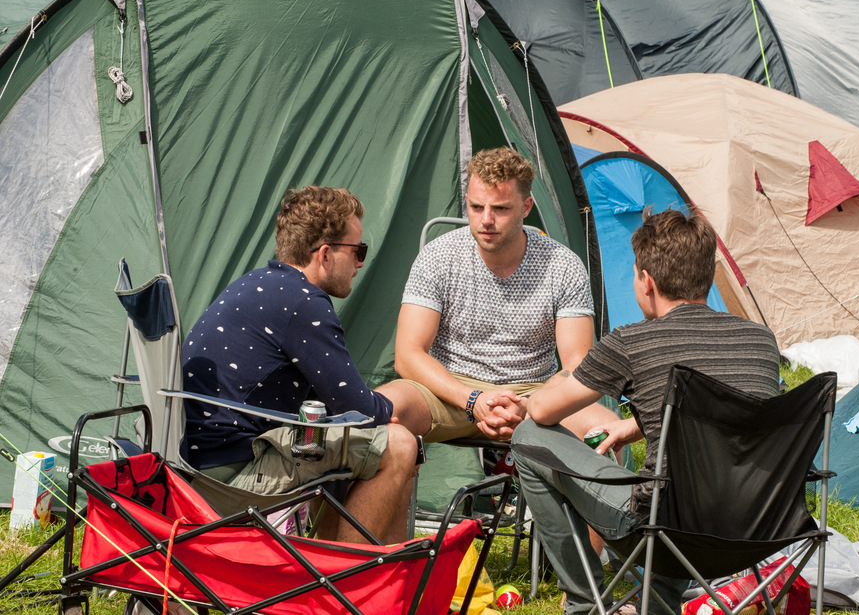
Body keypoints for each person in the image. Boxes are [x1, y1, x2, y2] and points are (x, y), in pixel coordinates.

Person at [510, 209, 782, 615]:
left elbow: (544, 412)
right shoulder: (760, 340)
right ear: (706, 275)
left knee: (528, 439)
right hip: (758, 526)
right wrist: (633, 426)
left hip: (666, 529)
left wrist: (540, 391)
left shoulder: (632, 341)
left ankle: (585, 603)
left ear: (646, 281)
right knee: (671, 486)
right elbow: (724, 412)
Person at [182, 185, 417, 545]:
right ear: (325, 254)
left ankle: (342, 569)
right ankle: (343, 584)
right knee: (398, 444)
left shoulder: (256, 283)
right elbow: (360, 409)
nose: (360, 263)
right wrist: (391, 406)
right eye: (357, 251)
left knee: (352, 444)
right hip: (227, 478)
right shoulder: (303, 303)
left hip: (193, 465)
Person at [382, 146, 621, 443]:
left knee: (605, 431)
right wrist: (472, 399)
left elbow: (577, 366)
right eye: (477, 207)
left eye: (501, 208)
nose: (486, 221)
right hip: (449, 391)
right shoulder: (439, 256)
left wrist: (527, 405)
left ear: (527, 207)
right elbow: (407, 355)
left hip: (534, 393)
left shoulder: (562, 266)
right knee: (381, 412)